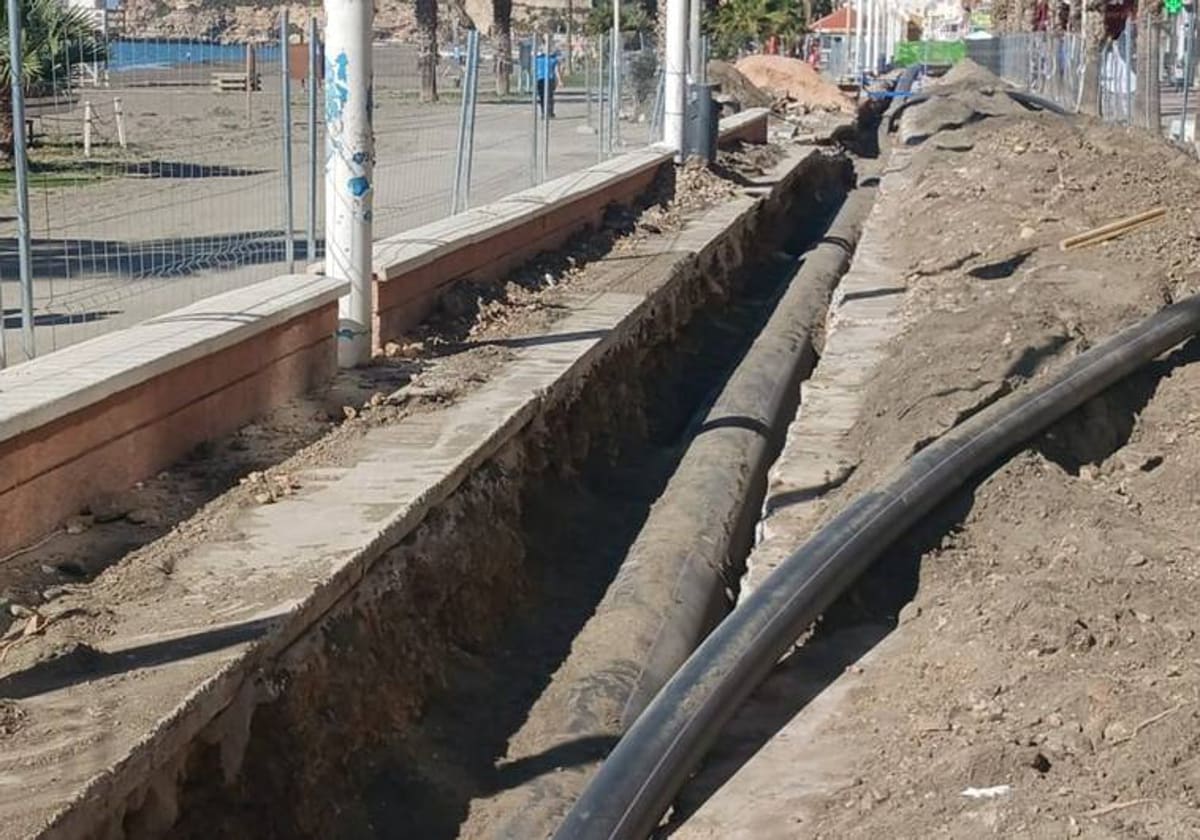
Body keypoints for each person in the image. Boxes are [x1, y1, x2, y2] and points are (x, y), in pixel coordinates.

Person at [535, 46, 562, 118]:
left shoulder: (538, 59)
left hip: (541, 79)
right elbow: (557, 71)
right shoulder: (553, 59)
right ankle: (549, 112)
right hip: (549, 79)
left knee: (542, 97)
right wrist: (559, 81)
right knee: (549, 96)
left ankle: (544, 112)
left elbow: (534, 70)